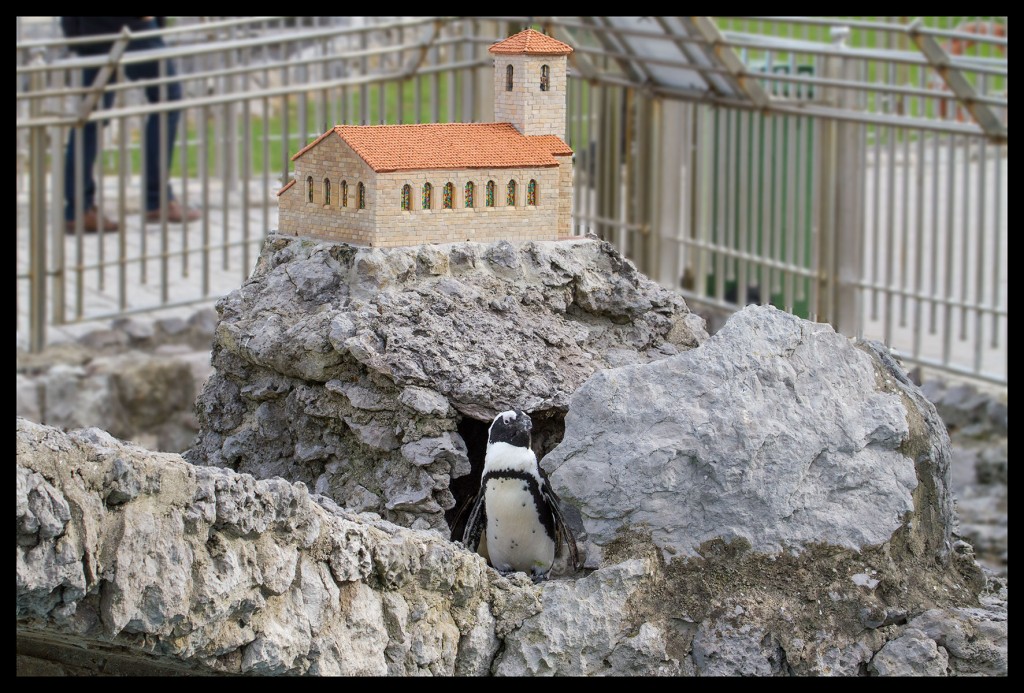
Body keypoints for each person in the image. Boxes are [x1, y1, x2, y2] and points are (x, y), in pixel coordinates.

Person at [61, 17, 200, 233]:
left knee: (89, 116)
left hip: (92, 28)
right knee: (168, 99)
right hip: (127, 27)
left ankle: (78, 209)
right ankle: (156, 200)